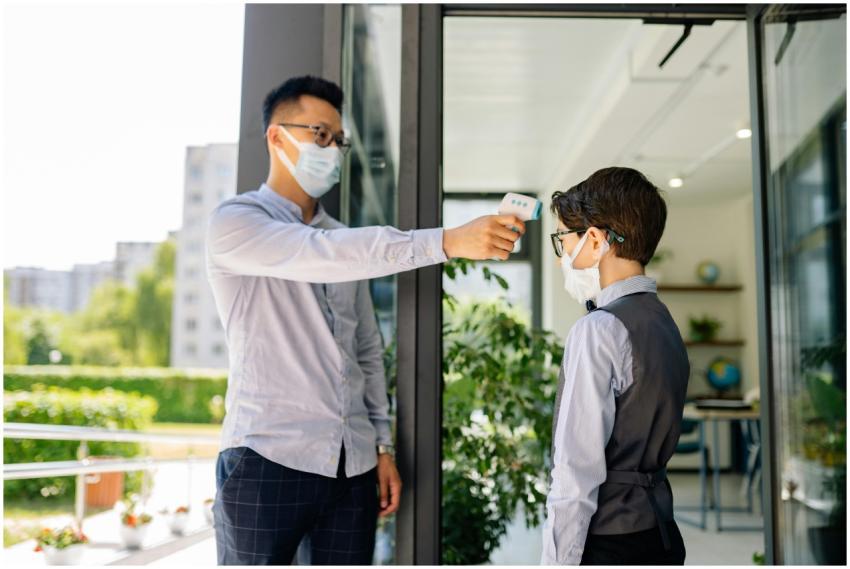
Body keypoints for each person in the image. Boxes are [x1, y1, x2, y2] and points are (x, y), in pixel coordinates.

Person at [206, 75, 526, 565]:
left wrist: (378, 443)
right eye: (320, 135)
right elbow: (316, 254)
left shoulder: (342, 238)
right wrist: (446, 241)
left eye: (339, 140)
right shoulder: (237, 223)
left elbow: (365, 353)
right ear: (277, 136)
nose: (332, 150)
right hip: (266, 458)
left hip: (351, 468)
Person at [541, 167, 689, 565]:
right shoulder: (662, 321)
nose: (562, 261)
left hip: (610, 540)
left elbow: (576, 472)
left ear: (594, 239)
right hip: (658, 533)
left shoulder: (598, 329)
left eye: (563, 242)